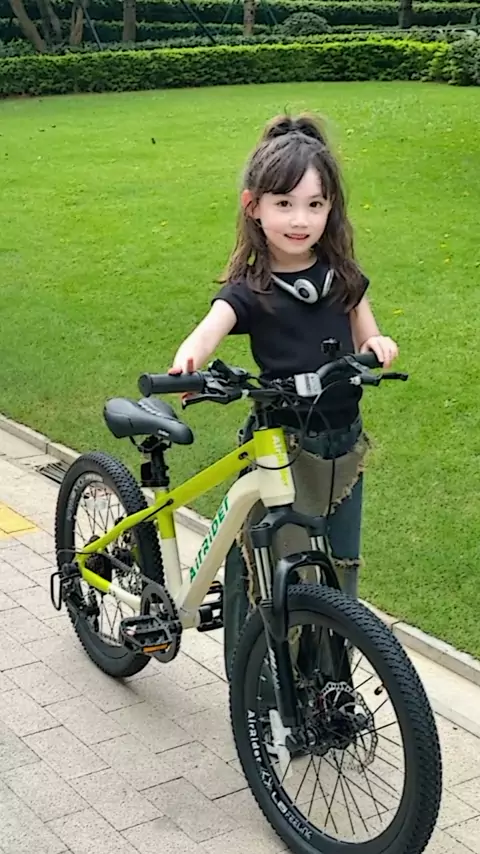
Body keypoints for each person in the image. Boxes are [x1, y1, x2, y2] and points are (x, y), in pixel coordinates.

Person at [169, 113, 399, 678]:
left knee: (339, 565)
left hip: (342, 445)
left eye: (315, 205)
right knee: (274, 567)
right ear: (254, 207)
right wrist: (190, 360)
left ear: (331, 208)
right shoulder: (252, 288)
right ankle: (263, 685)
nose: (300, 220)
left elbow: (367, 334)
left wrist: (377, 344)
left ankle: (329, 680)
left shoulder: (342, 277)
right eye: (285, 204)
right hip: (283, 446)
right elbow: (211, 328)